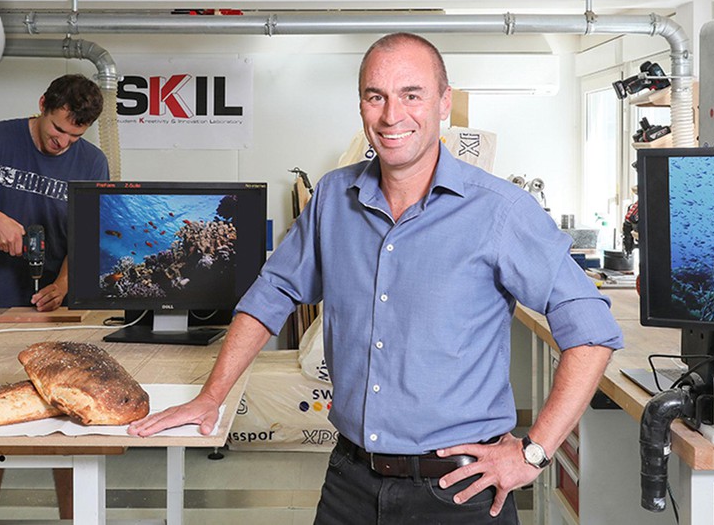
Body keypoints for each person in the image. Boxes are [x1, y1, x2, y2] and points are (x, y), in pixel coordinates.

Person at [129, 33, 623, 523]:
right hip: (350, 481)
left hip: (460, 491)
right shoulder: (331, 198)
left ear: (444, 103)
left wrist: (534, 451)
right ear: (361, 105)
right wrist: (211, 396)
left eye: (412, 95)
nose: (392, 115)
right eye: (376, 96)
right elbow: (272, 294)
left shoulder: (501, 211)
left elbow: (591, 330)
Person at [0, 73, 109, 313]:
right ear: (43, 104)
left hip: (56, 309)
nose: (64, 142)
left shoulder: (93, 162)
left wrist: (62, 286)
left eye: (75, 136)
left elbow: (88, 238)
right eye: (58, 129)